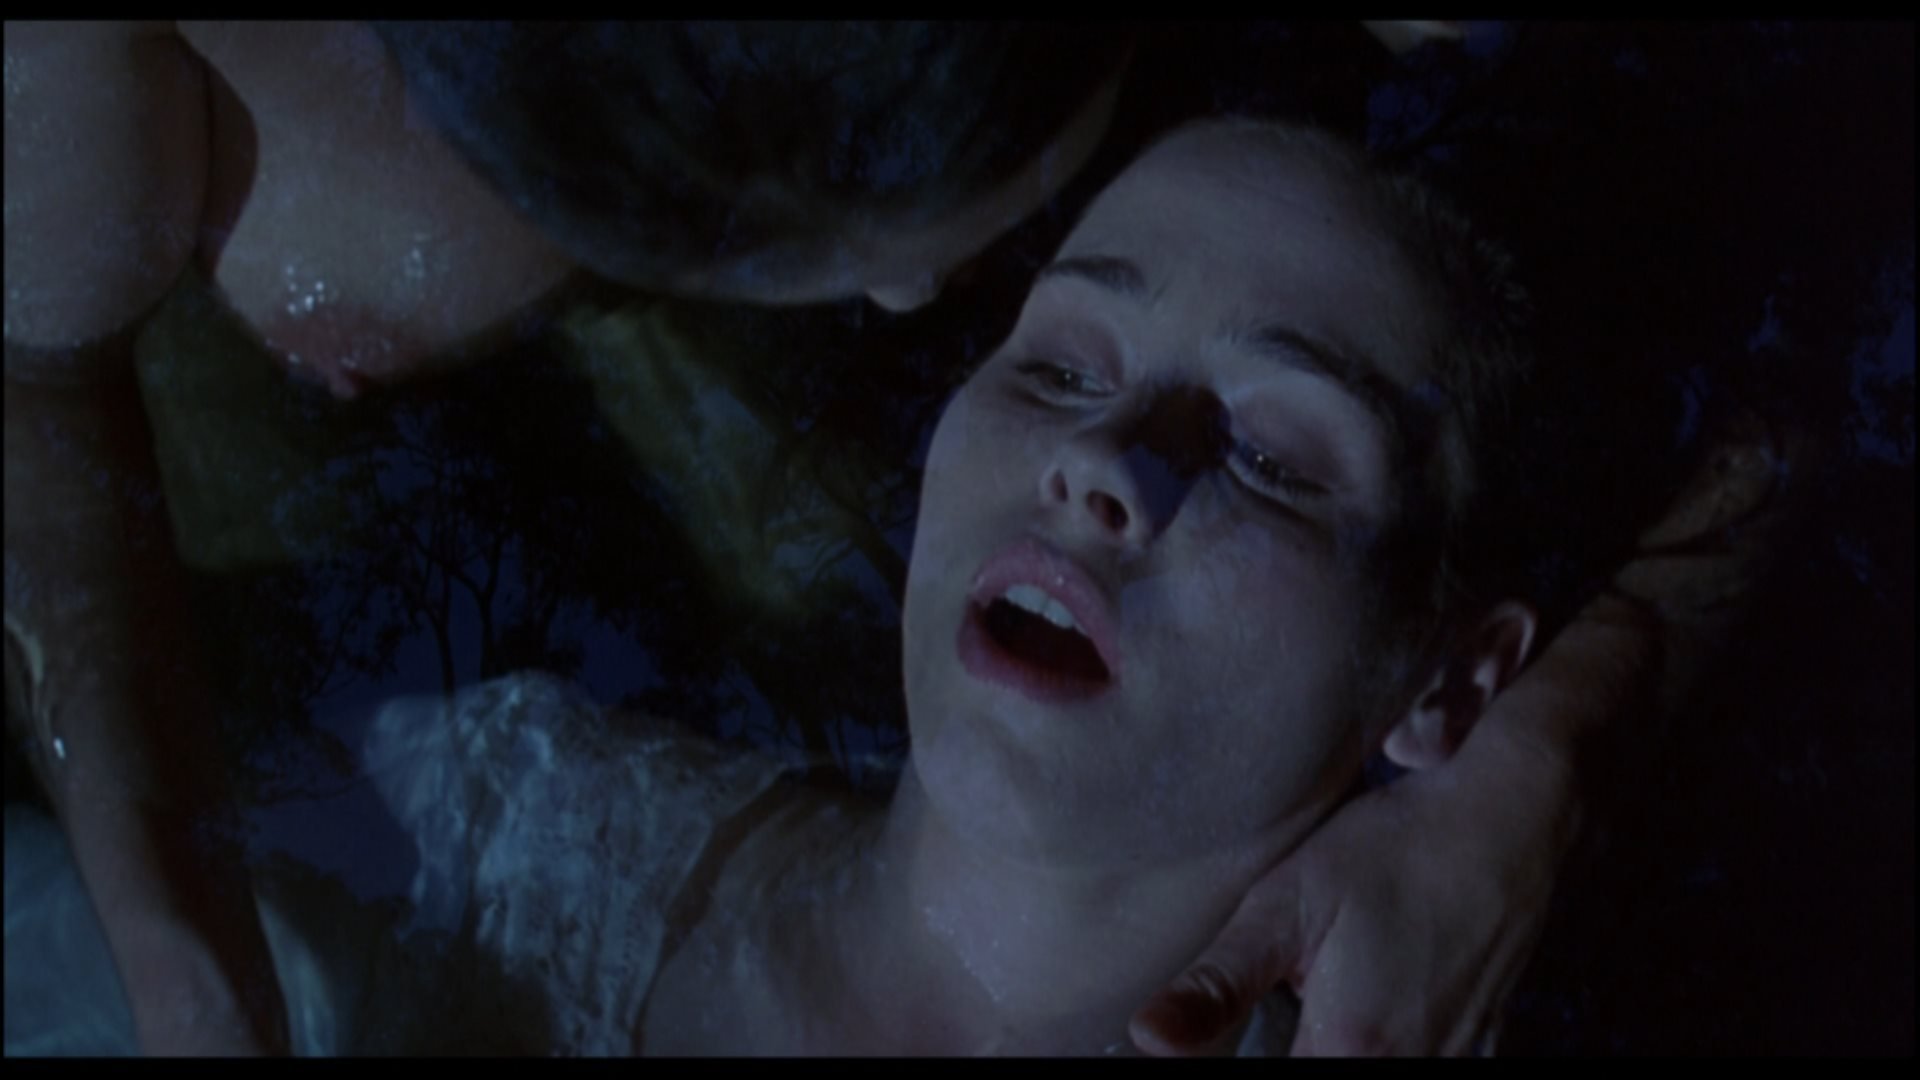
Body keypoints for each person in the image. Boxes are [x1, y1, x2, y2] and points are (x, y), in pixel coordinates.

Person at [2, 20, 1776, 1057]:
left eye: (1279, 459)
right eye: (1057, 361)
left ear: (1453, 682)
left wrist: (1563, 739)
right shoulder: (495, 816)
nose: (1097, 462)